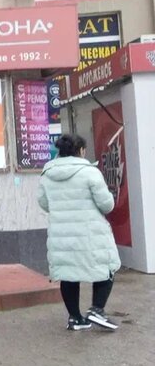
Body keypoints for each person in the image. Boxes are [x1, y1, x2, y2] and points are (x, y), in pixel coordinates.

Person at [37, 134, 121, 331]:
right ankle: (97, 309)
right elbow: (107, 205)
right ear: (81, 150)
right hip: (91, 233)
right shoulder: (90, 172)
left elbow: (43, 203)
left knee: (68, 274)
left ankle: (75, 318)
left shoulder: (47, 174)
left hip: (61, 234)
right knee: (106, 267)